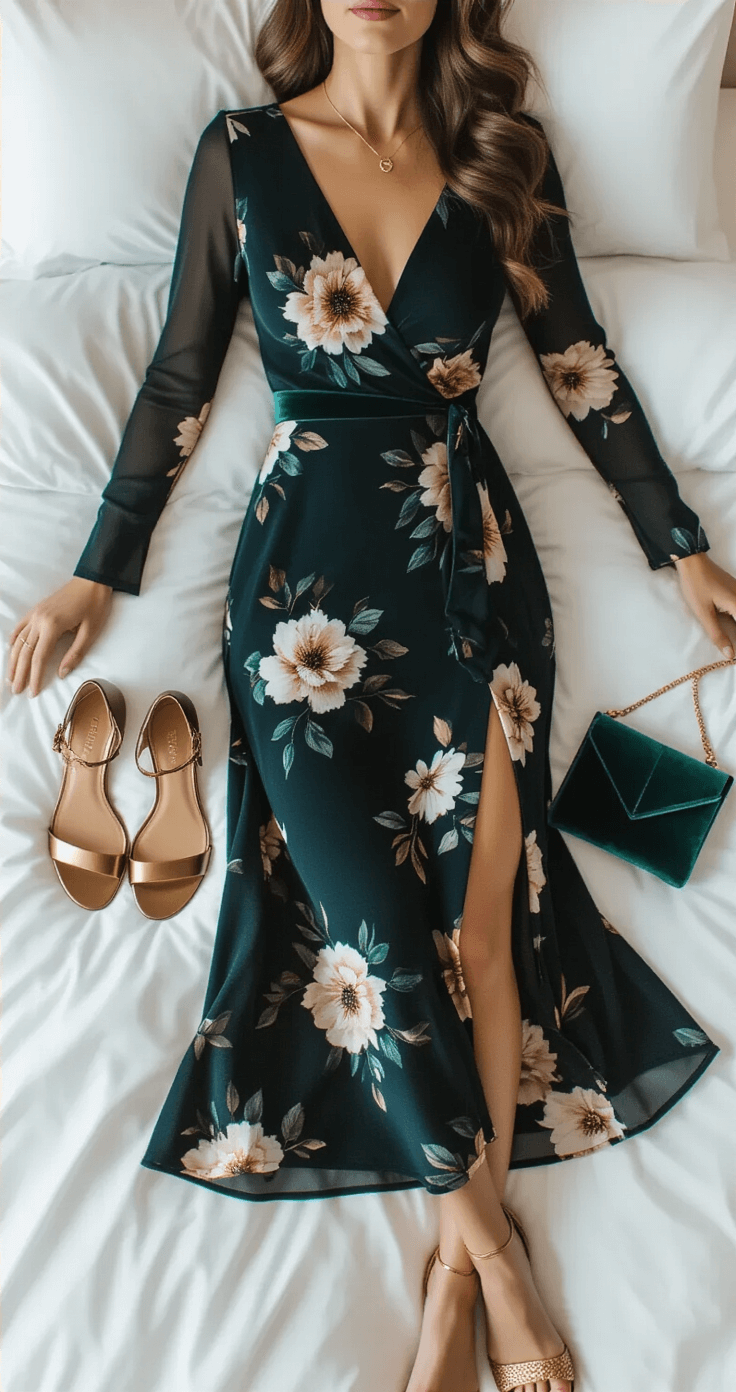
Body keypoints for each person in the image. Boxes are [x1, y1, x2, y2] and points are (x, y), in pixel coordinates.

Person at [8, 3, 736, 1389]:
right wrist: (100, 570)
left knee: (483, 934)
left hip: (470, 578)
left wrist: (680, 545)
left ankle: (452, 1281)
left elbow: (575, 360)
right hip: (298, 602)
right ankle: (494, 1265)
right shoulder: (242, 153)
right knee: (376, 941)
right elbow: (180, 373)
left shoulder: (503, 155)